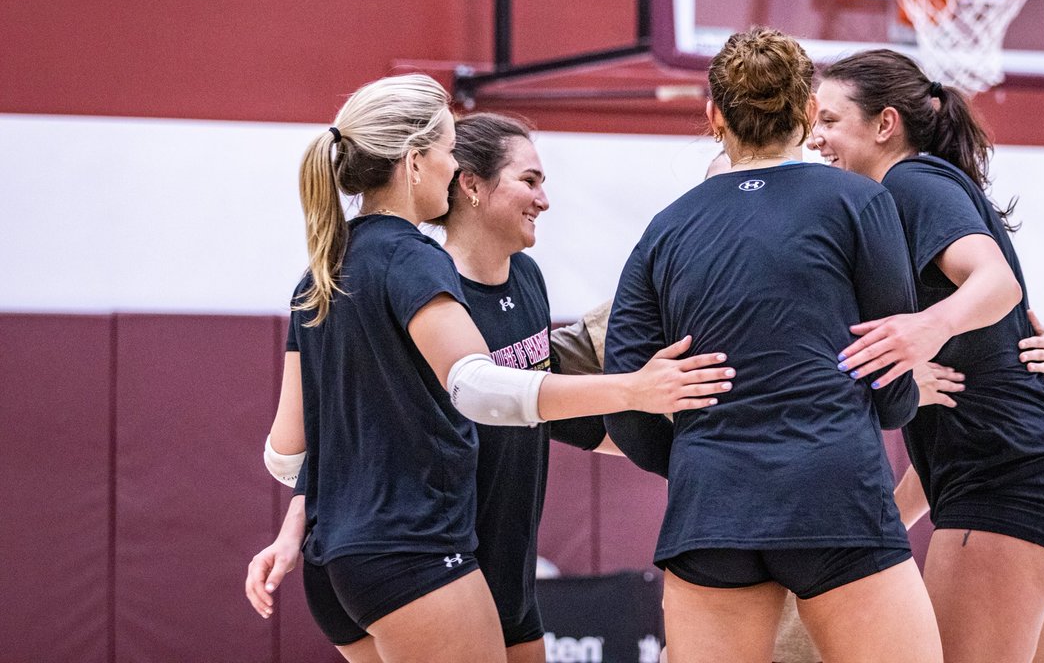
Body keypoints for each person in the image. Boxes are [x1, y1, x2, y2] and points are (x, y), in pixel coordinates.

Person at [242, 74, 736, 663]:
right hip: (420, 551)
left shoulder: (327, 268)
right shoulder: (415, 263)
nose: (451, 170)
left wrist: (318, 510)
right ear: (416, 162)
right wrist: (633, 388)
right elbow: (478, 388)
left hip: (354, 558)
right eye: (448, 152)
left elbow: (288, 452)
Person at [603, 27, 944, 663]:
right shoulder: (861, 202)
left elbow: (625, 396)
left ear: (712, 118)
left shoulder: (665, 228)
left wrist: (694, 459)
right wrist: (887, 406)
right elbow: (892, 363)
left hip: (712, 506)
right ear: (810, 113)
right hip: (835, 491)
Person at [808, 48, 1044, 663]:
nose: (817, 139)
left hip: (1013, 486)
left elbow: (998, 284)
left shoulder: (910, 181)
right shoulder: (898, 205)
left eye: (830, 121)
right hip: (1041, 481)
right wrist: (883, 524)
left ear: (884, 124)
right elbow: (953, 419)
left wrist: (923, 331)